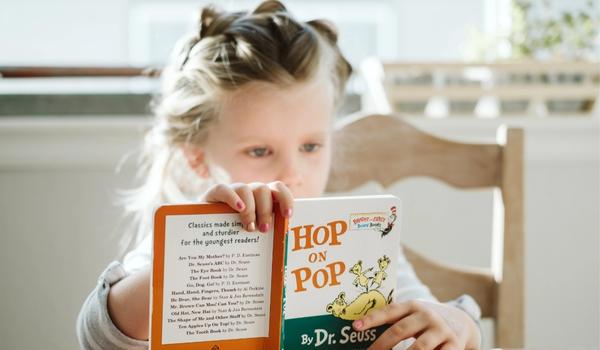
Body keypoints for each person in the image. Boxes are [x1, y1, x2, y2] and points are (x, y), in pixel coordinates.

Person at [76, 2, 482, 349]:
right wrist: (193, 255)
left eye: (310, 147)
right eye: (259, 151)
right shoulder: (185, 238)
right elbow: (98, 336)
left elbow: (441, 321)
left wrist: (460, 327)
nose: (292, 173)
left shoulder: (360, 240)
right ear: (197, 160)